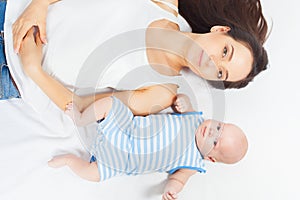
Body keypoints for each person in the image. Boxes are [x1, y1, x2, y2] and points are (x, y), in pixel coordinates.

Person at [9, 0, 269, 115]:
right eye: (225, 51)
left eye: (220, 72)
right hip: (12, 8)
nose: (213, 61)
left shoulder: (161, 91)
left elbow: (82, 107)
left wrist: (33, 68)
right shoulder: (163, 3)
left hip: (11, 70)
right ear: (220, 30)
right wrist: (39, 4)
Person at [47, 93, 248, 200]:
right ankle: (81, 118)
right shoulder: (194, 118)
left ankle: (69, 161)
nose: (212, 131)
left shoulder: (192, 163)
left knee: (94, 174)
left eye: (215, 141)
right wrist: (182, 102)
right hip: (127, 128)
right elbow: (185, 102)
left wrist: (172, 190)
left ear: (211, 158)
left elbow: (178, 179)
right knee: (110, 104)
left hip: (122, 160)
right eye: (219, 126)